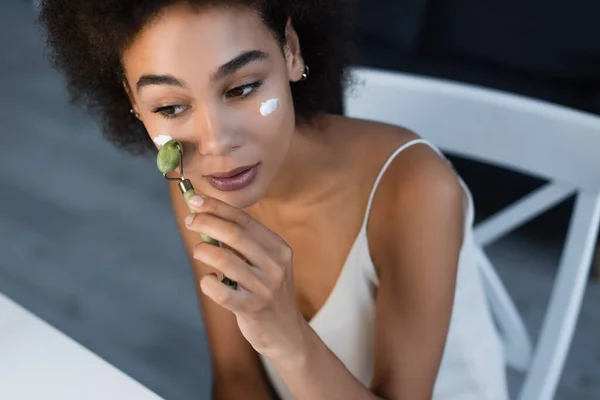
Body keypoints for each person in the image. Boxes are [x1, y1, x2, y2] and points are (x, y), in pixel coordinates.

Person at [39, 1, 508, 399]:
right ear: (132, 102)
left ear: (291, 51)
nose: (217, 143)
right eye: (170, 107)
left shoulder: (416, 190)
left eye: (242, 88)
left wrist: (287, 338)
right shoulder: (191, 180)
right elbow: (238, 377)